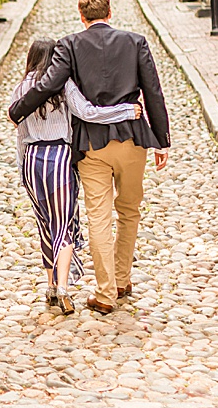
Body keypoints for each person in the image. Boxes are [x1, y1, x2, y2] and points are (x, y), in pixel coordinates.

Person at [9, 0, 170, 316]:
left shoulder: (69, 44)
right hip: (133, 140)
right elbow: (153, 90)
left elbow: (49, 84)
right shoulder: (136, 41)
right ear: (110, 13)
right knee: (129, 211)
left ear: (82, 17)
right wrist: (161, 140)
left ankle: (106, 292)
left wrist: (18, 110)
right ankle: (123, 279)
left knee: (98, 216)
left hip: (92, 146)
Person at [10, 38, 141, 315]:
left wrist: (22, 170)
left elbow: (20, 134)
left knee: (44, 224)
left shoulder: (21, 88)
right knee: (63, 225)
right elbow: (87, 113)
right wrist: (126, 110)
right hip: (59, 156)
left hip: (32, 159)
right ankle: (62, 288)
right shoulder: (63, 85)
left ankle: (49, 286)